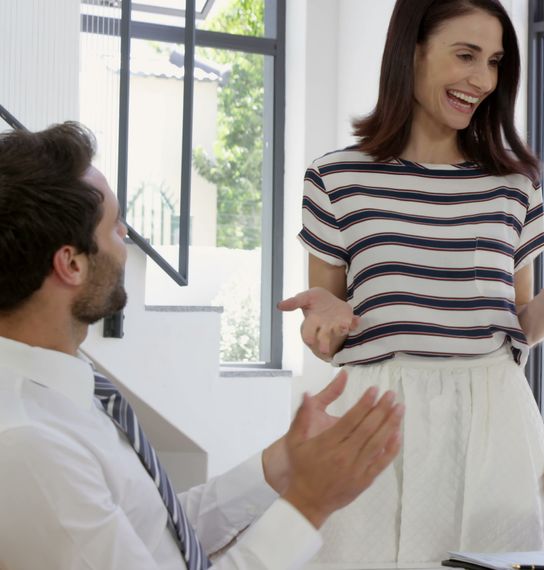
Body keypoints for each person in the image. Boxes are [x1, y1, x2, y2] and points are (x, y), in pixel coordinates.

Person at [278, 0, 544, 564]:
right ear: (410, 51)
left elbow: (519, 329)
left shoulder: (514, 186)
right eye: (465, 56)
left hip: (493, 422)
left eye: (493, 62)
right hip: (378, 417)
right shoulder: (335, 177)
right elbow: (328, 342)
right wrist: (323, 319)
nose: (482, 80)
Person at [0, 122, 404, 569]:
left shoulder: (73, 393)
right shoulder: (29, 447)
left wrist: (283, 462)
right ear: (71, 263)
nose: (127, 244)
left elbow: (162, 537)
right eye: (116, 229)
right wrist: (310, 504)